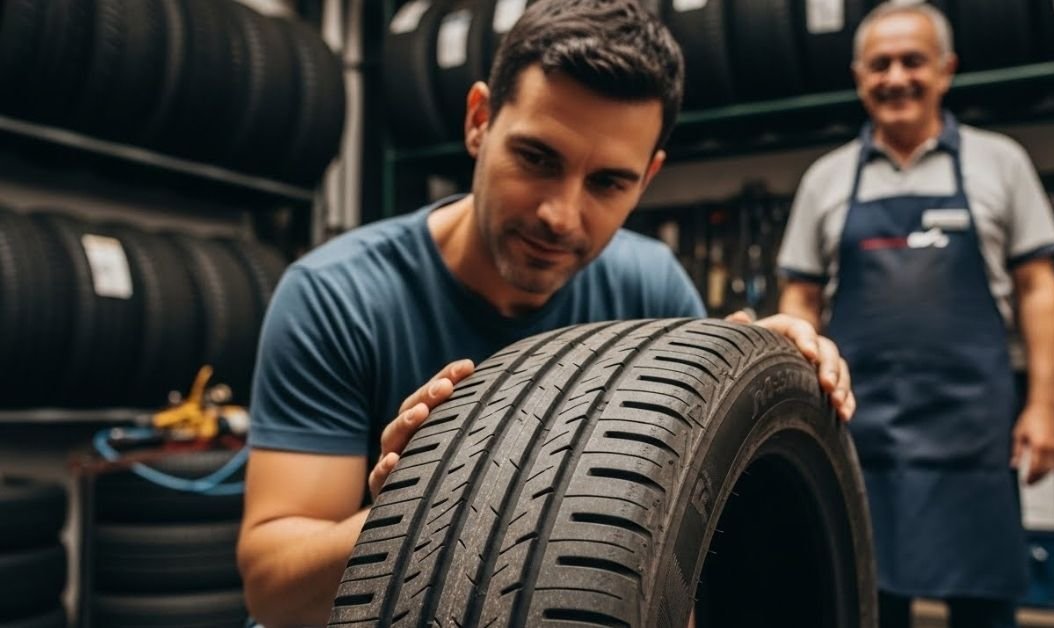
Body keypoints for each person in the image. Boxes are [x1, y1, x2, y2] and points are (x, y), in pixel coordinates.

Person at [236, 1, 855, 625]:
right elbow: (272, 589)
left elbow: (680, 551)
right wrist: (423, 507)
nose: (561, 215)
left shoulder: (652, 289)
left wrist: (755, 388)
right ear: (479, 121)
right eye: (537, 159)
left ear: (648, 178)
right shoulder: (336, 297)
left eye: (608, 183)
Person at [776, 2, 1054, 627]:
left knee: (984, 605)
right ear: (859, 76)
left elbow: (1039, 288)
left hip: (971, 436)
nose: (896, 77)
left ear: (946, 69)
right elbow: (798, 300)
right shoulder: (826, 180)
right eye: (880, 64)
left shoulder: (1000, 162)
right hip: (858, 430)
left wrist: (1045, 405)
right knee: (865, 602)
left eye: (913, 61)